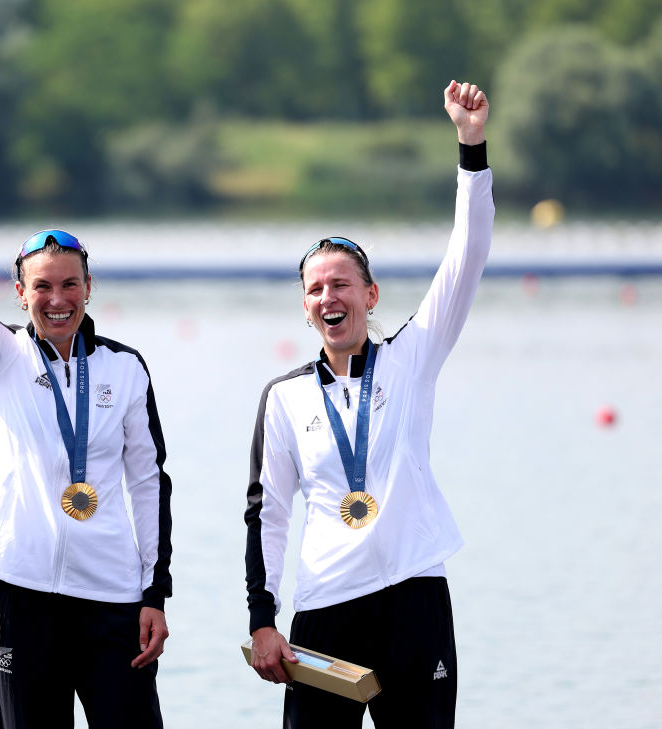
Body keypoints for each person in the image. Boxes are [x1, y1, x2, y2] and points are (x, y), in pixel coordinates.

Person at [0, 159, 172, 729]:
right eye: (42, 286)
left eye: (70, 284)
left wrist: (153, 594)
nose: (58, 299)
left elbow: (148, 484)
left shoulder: (126, 368)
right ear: (20, 293)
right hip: (22, 593)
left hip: (113, 599)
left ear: (89, 288)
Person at [243, 80, 493, 728]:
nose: (330, 295)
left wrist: (471, 145)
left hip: (415, 600)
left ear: (371, 294)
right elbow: (266, 515)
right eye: (316, 287)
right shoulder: (284, 398)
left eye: (342, 283)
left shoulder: (413, 357)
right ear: (305, 306)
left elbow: (467, 256)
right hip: (327, 612)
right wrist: (262, 620)